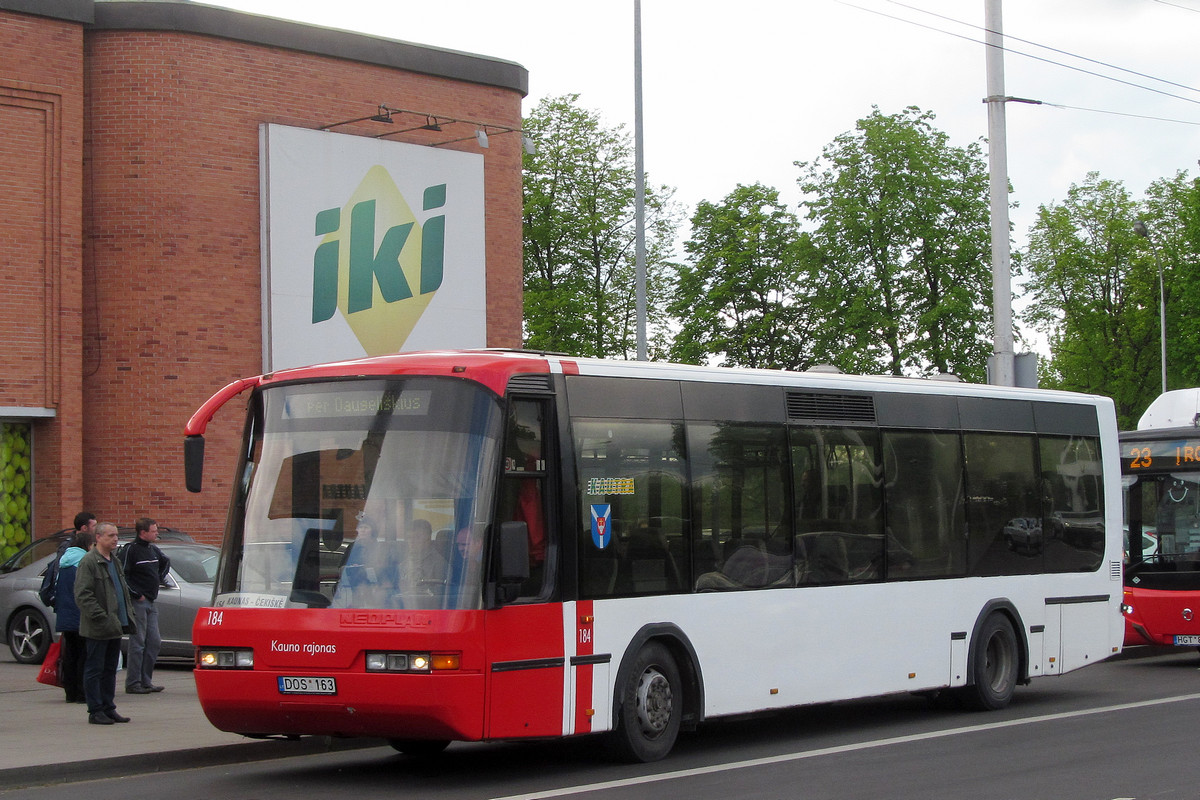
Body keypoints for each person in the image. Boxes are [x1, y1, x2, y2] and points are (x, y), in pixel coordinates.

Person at [75, 522, 136, 725]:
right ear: (98, 537)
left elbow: (121, 590)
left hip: (115, 625)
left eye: (116, 535)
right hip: (98, 626)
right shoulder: (89, 561)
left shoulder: (114, 561)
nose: (115, 539)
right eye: (111, 535)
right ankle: (95, 710)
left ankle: (109, 707)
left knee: (111, 669)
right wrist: (101, 616)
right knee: (95, 668)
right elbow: (83, 595)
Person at [124, 517, 170, 694]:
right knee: (138, 642)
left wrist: (158, 579)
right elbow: (123, 576)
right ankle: (133, 682)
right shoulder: (131, 550)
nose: (156, 533)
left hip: (151, 601)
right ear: (143, 533)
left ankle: (146, 680)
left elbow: (165, 562)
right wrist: (136, 594)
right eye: (153, 530)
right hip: (139, 602)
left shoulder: (153, 550)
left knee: (154, 641)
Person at [54, 529, 96, 704]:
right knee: (84, 656)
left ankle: (70, 692)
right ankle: (81, 693)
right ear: (87, 545)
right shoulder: (83, 562)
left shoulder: (63, 562)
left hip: (65, 616)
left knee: (70, 655)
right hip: (80, 615)